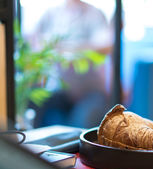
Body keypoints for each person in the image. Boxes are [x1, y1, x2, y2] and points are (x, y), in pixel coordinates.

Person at [30, 0, 113, 128]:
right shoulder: (51, 14)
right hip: (61, 90)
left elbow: (106, 46)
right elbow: (35, 44)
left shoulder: (94, 14)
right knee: (32, 104)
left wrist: (68, 50)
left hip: (91, 92)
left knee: (81, 126)